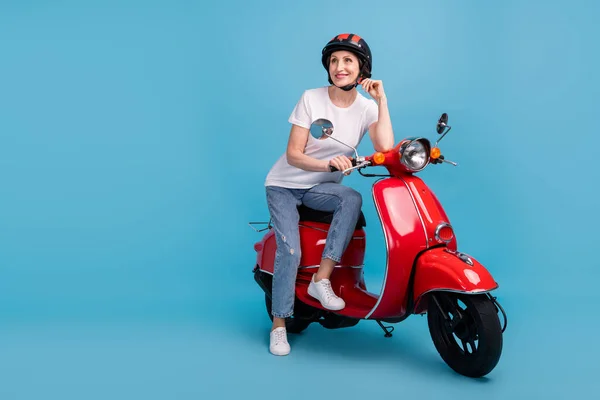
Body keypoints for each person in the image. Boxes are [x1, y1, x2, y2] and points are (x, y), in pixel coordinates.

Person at [264, 33, 395, 356]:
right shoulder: (311, 98)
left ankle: (320, 281)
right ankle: (279, 326)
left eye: (348, 60)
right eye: (334, 60)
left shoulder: (365, 108)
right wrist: (326, 164)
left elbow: (385, 147)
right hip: (283, 185)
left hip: (319, 190)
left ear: (361, 68)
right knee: (290, 251)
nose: (340, 66)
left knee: (351, 198)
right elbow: (294, 154)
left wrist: (382, 101)